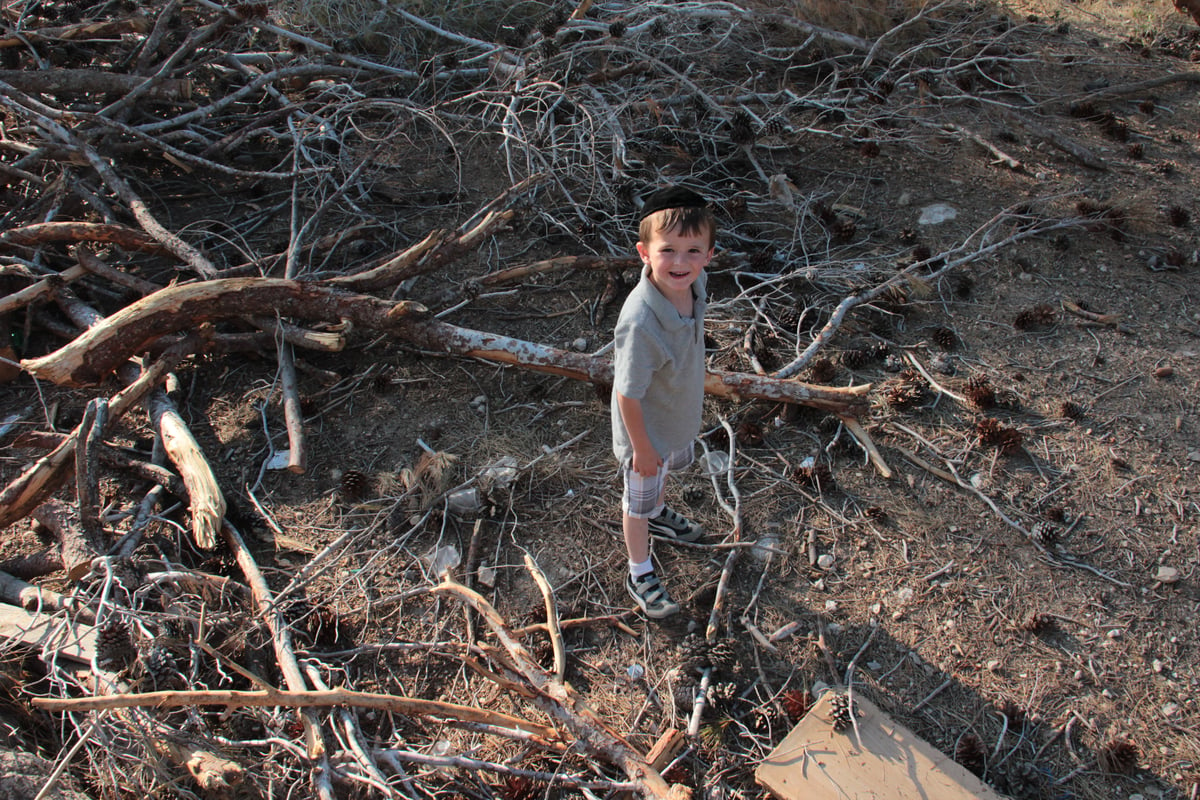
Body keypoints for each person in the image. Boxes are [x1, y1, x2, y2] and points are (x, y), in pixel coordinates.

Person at [611, 186, 716, 619]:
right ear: (644, 252)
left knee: (661, 479)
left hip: (675, 417)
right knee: (634, 503)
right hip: (646, 435)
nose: (680, 262)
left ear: (709, 255)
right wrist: (642, 450)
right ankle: (639, 572)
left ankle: (657, 510)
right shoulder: (641, 322)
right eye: (667, 250)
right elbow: (626, 393)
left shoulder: (695, 285)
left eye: (693, 250)